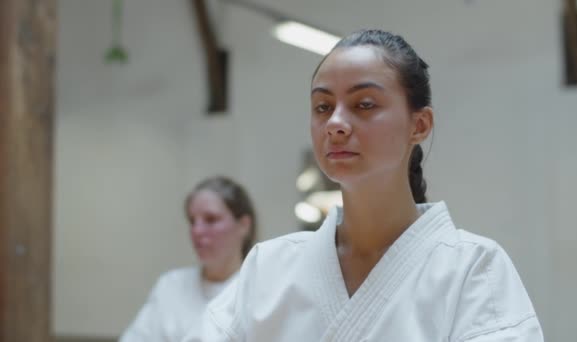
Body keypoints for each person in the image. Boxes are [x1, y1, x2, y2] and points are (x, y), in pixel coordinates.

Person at [182, 29, 543, 341]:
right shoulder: (269, 266)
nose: (335, 123)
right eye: (323, 107)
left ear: (419, 125)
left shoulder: (472, 268)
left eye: (364, 104)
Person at [120, 176, 256, 342]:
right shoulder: (171, 286)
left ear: (243, 225)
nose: (196, 231)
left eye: (211, 219)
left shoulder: (259, 290)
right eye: (192, 221)